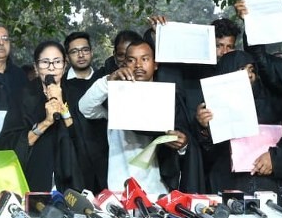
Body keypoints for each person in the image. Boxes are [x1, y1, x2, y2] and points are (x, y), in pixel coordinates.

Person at [193, 50, 282, 212]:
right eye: (241, 70)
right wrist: (203, 129)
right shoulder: (210, 108)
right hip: (228, 187)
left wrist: (276, 159)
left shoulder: (277, 104)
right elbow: (203, 160)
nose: (249, 75)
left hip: (272, 190)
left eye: (252, 69)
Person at [79, 39, 197, 193]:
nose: (138, 65)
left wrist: (182, 144)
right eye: (131, 60)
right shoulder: (115, 97)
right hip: (120, 188)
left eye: (145, 59)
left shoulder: (169, 99)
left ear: (155, 64)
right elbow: (85, 107)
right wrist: (108, 81)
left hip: (159, 190)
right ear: (124, 65)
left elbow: (185, 141)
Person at [4, 41, 83, 192]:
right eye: (45, 62)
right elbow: (12, 142)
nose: (52, 67)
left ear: (65, 66)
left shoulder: (76, 93)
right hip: (35, 175)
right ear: (36, 67)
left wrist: (62, 107)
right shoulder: (22, 96)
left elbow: (82, 139)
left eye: (57, 62)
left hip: (73, 176)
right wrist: (45, 123)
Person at [63, 32, 109, 193]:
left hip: (106, 156)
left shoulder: (105, 81)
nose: (81, 55)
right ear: (67, 57)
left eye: (85, 50)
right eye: (74, 51)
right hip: (75, 159)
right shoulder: (61, 86)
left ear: (92, 52)